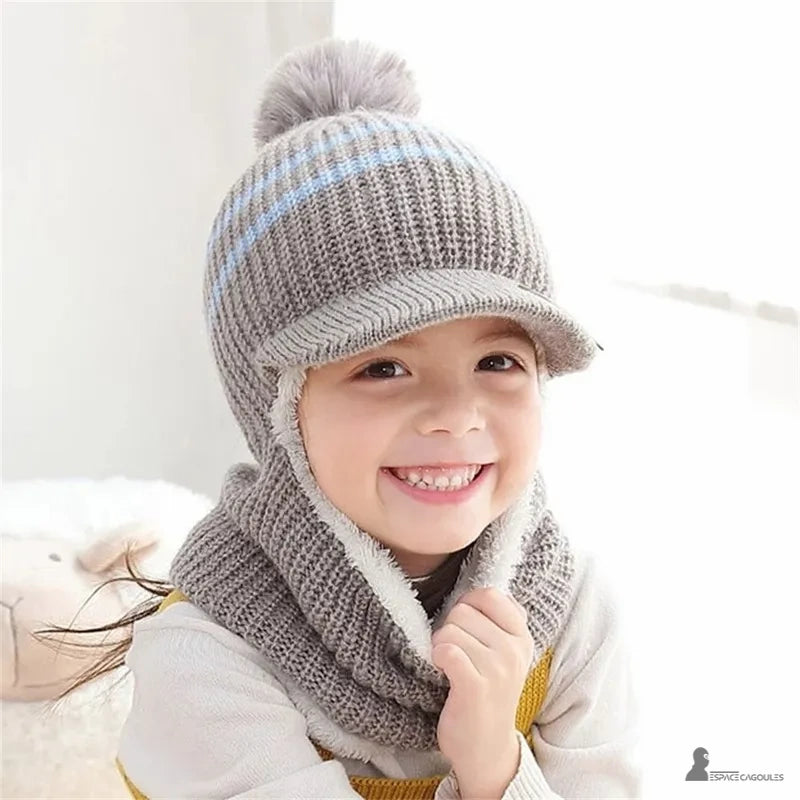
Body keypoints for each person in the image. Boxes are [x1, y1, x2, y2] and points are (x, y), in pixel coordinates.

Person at [42, 36, 642, 799]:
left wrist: (495, 760)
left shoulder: (574, 611)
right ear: (280, 413)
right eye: (382, 366)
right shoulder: (208, 654)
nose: (458, 417)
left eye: (499, 362)